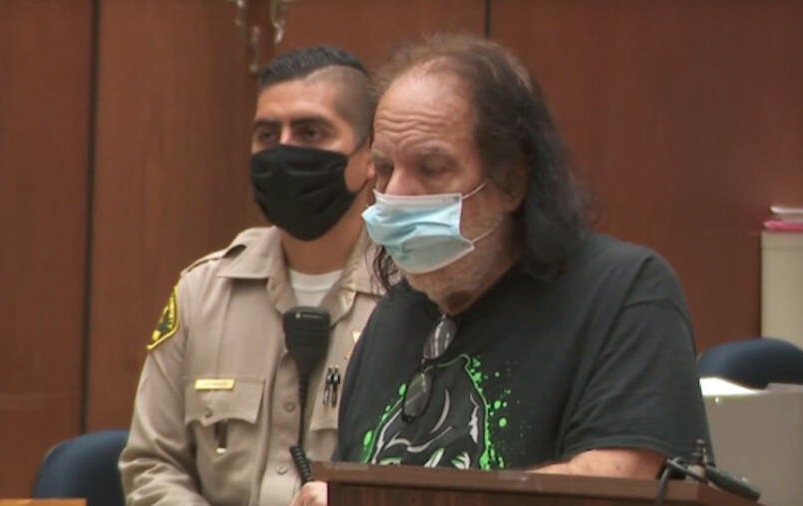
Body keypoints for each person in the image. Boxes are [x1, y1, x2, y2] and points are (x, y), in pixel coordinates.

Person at [292, 33, 709, 505]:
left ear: (511, 181)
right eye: (385, 169)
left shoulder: (624, 294)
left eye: (431, 168)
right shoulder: (393, 317)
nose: (396, 195)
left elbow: (616, 486)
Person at [119, 45, 381, 506]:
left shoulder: (412, 300)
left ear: (371, 155)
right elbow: (151, 466)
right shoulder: (203, 292)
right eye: (266, 134)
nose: (283, 151)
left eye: (310, 132)